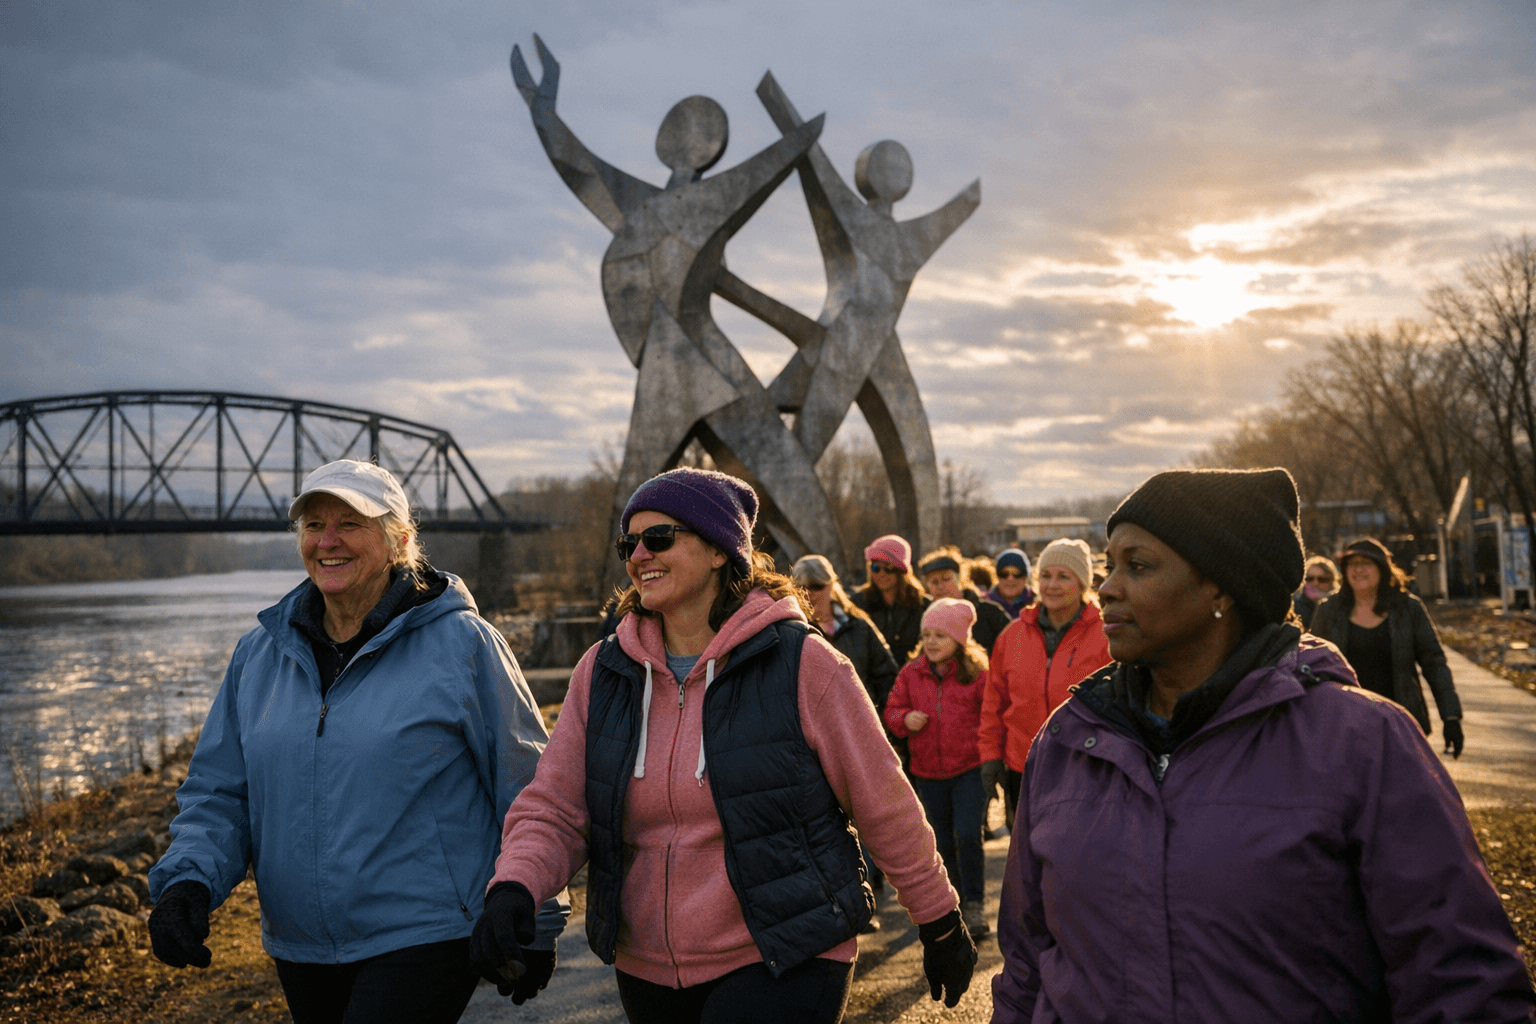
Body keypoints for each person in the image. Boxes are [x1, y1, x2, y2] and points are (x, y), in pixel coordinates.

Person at [991, 468, 1535, 1022]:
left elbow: (1462, 986)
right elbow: (1027, 965)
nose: (1107, 587)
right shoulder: (1069, 743)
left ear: (1223, 587)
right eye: (1110, 567)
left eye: (1139, 566)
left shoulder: (1365, 745)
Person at [470, 468, 976, 1024]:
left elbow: (883, 803)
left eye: (659, 537)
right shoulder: (605, 671)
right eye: (628, 543)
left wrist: (938, 918)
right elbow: (558, 807)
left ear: (719, 551)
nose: (640, 554)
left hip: (785, 950)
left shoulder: (803, 663)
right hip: (647, 964)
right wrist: (515, 885)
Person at [146, 459, 568, 1024]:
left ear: (399, 540)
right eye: (314, 525)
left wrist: (536, 918)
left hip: (427, 932)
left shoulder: (464, 646)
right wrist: (187, 882)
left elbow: (528, 786)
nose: (328, 541)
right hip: (299, 942)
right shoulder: (258, 655)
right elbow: (220, 792)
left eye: (350, 523)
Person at [792, 553, 901, 929]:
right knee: (828, 823)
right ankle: (855, 894)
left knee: (866, 813)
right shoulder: (788, 630)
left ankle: (869, 887)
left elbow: (888, 676)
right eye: (802, 587)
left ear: (832, 585)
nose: (810, 594)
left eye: (818, 586)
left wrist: (879, 720)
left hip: (858, 736)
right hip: (808, 744)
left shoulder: (858, 627)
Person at [979, 538, 1111, 829]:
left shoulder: (1106, 637)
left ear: (1083, 584)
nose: (1052, 585)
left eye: (1064, 576)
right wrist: (990, 757)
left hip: (1084, 766)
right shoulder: (1012, 636)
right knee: (1028, 858)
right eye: (1046, 576)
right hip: (1023, 766)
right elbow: (994, 702)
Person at [884, 599, 992, 941]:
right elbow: (891, 711)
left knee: (967, 834)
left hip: (968, 769)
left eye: (940, 635)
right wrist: (905, 719)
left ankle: (974, 902)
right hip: (928, 772)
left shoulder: (977, 675)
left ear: (959, 641)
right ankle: (953, 902)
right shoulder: (911, 673)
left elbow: (991, 716)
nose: (931, 642)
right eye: (926, 634)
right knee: (941, 840)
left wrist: (992, 760)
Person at [1308, 537, 1465, 757]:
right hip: (1344, 728)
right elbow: (1312, 668)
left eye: (1366, 563)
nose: (1359, 569)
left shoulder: (1408, 608)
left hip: (1401, 725)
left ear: (1382, 569)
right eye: (1352, 564)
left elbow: (1434, 662)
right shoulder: (1329, 611)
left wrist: (1451, 717)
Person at [850, 533, 930, 662]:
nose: (881, 574)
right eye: (875, 567)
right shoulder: (856, 604)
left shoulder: (923, 605)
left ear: (901, 571)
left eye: (888, 567)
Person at [918, 546, 1011, 654]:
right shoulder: (922, 615)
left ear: (960, 578)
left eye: (946, 579)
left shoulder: (989, 613)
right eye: (934, 582)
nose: (940, 586)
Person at [1291, 553, 1338, 629]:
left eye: (1322, 579)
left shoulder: (1339, 607)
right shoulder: (1294, 607)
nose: (1315, 583)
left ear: (1331, 582)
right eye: (1309, 579)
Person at [985, 549, 1034, 620]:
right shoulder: (984, 604)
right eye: (1004, 573)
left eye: (1016, 573)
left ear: (1025, 577)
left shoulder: (1038, 605)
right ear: (997, 576)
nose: (1010, 579)